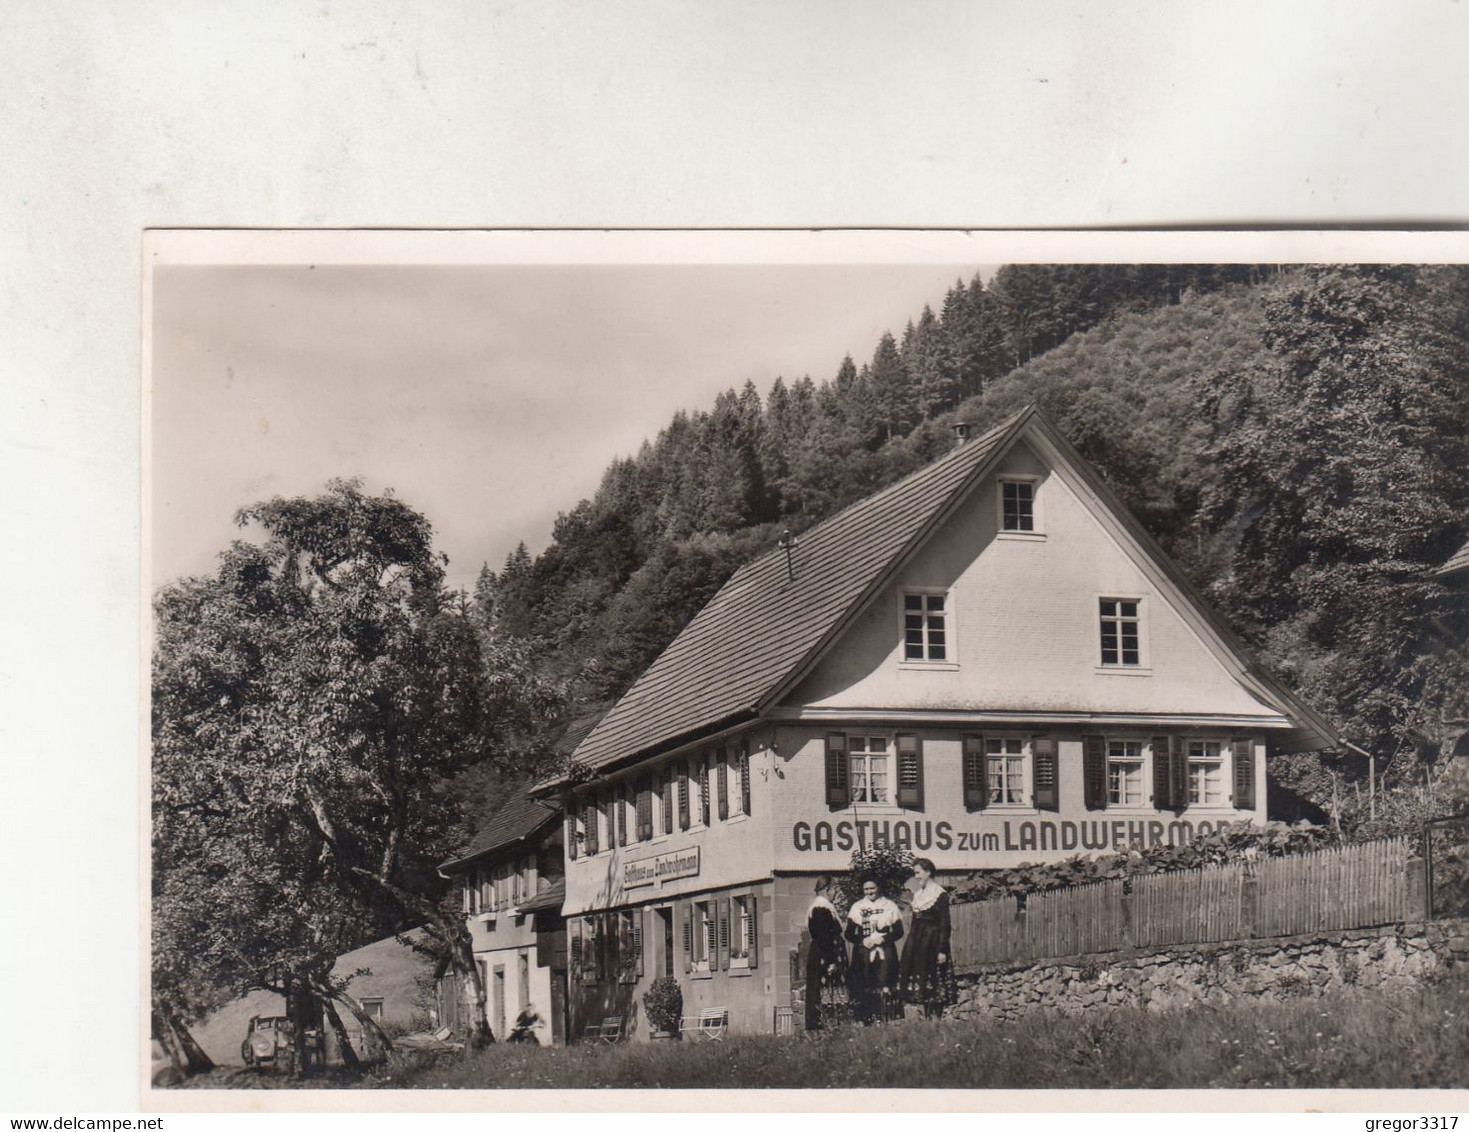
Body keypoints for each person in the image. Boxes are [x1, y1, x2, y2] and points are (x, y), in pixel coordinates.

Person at [897, 857, 957, 1019]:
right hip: (918, 942)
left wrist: (942, 950)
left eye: (918, 872)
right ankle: (925, 1021)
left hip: (933, 942)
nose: (916, 876)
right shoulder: (918, 895)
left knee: (934, 983)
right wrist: (910, 948)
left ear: (928, 872)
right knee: (920, 981)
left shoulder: (939, 894)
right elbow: (915, 924)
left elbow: (945, 924)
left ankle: (935, 1020)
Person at [844, 876, 904, 1024]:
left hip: (885, 950)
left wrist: (883, 939)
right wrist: (863, 941)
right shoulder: (857, 907)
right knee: (864, 983)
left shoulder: (889, 905)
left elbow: (899, 931)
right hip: (863, 951)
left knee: (885, 982)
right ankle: (866, 1018)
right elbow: (848, 933)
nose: (869, 891)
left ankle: (887, 1018)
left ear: (878, 888)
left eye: (872, 888)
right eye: (866, 889)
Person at [804, 879, 850, 1031]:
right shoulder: (820, 908)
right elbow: (824, 937)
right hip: (824, 955)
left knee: (826, 988)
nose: (835, 893)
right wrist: (830, 961)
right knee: (824, 988)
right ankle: (825, 1024)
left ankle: (829, 1024)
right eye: (834, 890)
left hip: (824, 952)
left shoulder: (823, 907)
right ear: (826, 889)